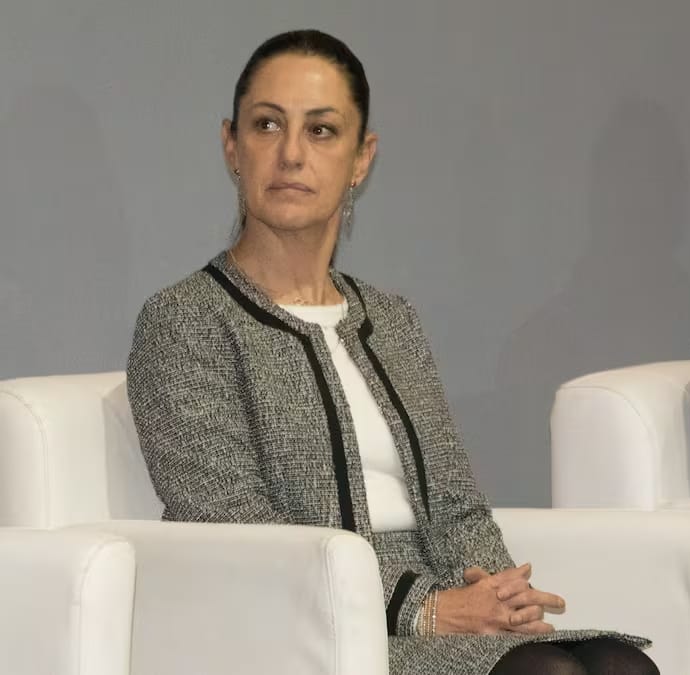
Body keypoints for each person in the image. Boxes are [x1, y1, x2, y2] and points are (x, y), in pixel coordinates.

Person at [126, 29, 657, 675]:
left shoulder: (391, 318)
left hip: (438, 613)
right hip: (301, 630)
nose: (291, 153)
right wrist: (423, 609)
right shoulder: (184, 320)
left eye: (321, 131)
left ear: (361, 159)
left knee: (620, 665)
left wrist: (496, 595)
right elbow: (233, 526)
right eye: (267, 125)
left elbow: (455, 502)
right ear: (232, 146)